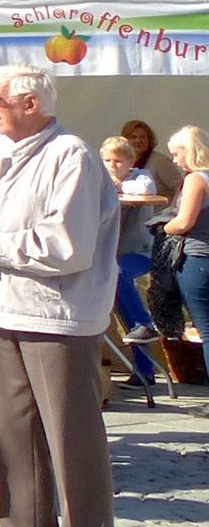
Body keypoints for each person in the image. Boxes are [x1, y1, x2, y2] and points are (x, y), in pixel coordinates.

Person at [0, 65, 120, 527]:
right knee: (14, 433)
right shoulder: (0, 156)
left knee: (72, 438)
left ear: (29, 103)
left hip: (57, 315)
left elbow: (66, 243)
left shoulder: (72, 155)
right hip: (3, 309)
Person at [100, 135, 163, 393]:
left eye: (118, 161)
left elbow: (146, 190)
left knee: (120, 272)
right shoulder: (100, 180)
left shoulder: (141, 177)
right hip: (109, 256)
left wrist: (118, 188)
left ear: (130, 161)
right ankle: (144, 371)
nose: (112, 166)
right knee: (122, 308)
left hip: (140, 251)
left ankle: (144, 324)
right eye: (107, 161)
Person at [159, 126, 209, 345]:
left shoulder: (196, 179)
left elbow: (184, 222)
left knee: (206, 330)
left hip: (198, 257)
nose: (175, 160)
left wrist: (163, 228)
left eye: (177, 154)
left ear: (189, 151)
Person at [126, 118, 184, 198]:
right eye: (133, 137)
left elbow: (180, 187)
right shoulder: (124, 161)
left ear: (149, 140)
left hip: (158, 208)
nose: (138, 140)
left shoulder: (159, 161)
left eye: (142, 137)